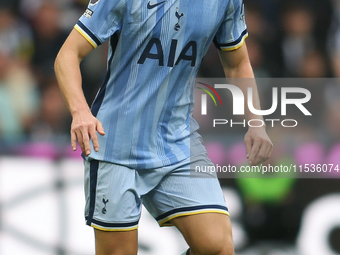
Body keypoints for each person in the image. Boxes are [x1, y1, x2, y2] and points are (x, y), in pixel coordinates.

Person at [54, 0, 273, 254]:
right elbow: (67, 56)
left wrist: (256, 122)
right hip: (115, 144)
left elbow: (237, 62)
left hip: (177, 140)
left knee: (217, 247)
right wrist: (80, 111)